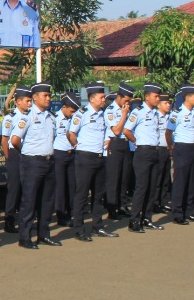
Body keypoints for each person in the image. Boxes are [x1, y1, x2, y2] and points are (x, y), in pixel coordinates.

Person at [67, 82, 116, 242]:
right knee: (82, 194)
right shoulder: (82, 114)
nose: (104, 100)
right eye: (101, 97)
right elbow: (71, 133)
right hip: (85, 157)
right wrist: (77, 146)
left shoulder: (104, 114)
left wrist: (107, 140)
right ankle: (79, 228)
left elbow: (111, 130)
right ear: (92, 98)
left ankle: (98, 226)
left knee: (98, 194)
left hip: (100, 157)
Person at [14, 83, 58, 249]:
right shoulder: (27, 117)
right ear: (34, 97)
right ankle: (25, 237)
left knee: (47, 201)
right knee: (29, 200)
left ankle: (44, 235)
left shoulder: (51, 117)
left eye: (49, 95)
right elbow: (15, 140)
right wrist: (27, 155)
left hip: (48, 161)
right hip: (32, 162)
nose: (48, 98)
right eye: (45, 95)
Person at [124, 84, 166, 233]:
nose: (158, 99)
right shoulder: (138, 111)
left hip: (155, 151)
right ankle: (134, 220)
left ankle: (147, 218)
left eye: (158, 96)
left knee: (152, 186)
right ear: (147, 97)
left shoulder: (155, 113)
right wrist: (136, 142)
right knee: (141, 187)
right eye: (155, 96)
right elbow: (127, 130)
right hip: (143, 152)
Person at [168, 84, 194, 224]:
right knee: (180, 182)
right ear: (188, 97)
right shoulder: (177, 113)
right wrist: (172, 147)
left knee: (191, 181)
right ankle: (177, 213)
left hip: (192, 148)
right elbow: (168, 132)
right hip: (181, 148)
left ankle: (188, 211)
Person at [1, 86, 33, 232]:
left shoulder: (32, 116)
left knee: (27, 189)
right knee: (14, 189)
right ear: (18, 102)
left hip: (28, 153)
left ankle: (25, 221)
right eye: (27, 101)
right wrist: (9, 158)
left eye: (31, 101)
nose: (30, 104)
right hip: (15, 154)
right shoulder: (10, 118)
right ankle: (9, 220)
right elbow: (4, 141)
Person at [103, 85, 134, 220]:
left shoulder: (127, 109)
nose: (127, 103)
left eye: (129, 101)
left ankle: (122, 205)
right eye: (126, 100)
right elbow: (116, 130)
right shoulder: (110, 111)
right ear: (119, 97)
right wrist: (124, 115)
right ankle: (112, 208)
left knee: (124, 177)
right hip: (114, 143)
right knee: (113, 178)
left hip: (125, 143)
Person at [51, 94, 78, 226]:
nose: (73, 114)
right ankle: (61, 214)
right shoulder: (55, 119)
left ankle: (70, 211)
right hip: (59, 154)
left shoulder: (74, 118)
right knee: (60, 186)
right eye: (71, 111)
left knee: (71, 185)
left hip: (72, 154)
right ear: (64, 107)